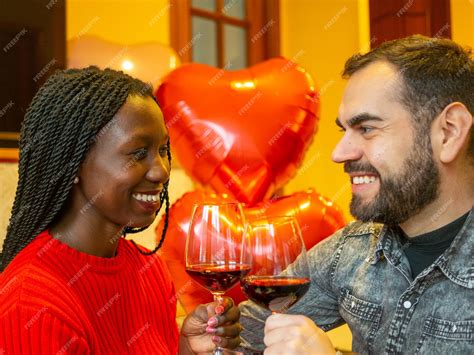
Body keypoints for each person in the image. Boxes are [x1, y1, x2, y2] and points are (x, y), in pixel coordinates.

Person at [238, 35, 473, 354]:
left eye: (366, 129)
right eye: (343, 130)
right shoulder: (349, 251)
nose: (339, 153)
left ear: (448, 132)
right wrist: (209, 332)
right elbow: (247, 331)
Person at [0, 67, 241, 353]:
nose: (161, 171)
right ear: (73, 164)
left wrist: (185, 350)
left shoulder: (148, 270)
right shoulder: (32, 303)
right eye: (138, 153)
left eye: (163, 150)